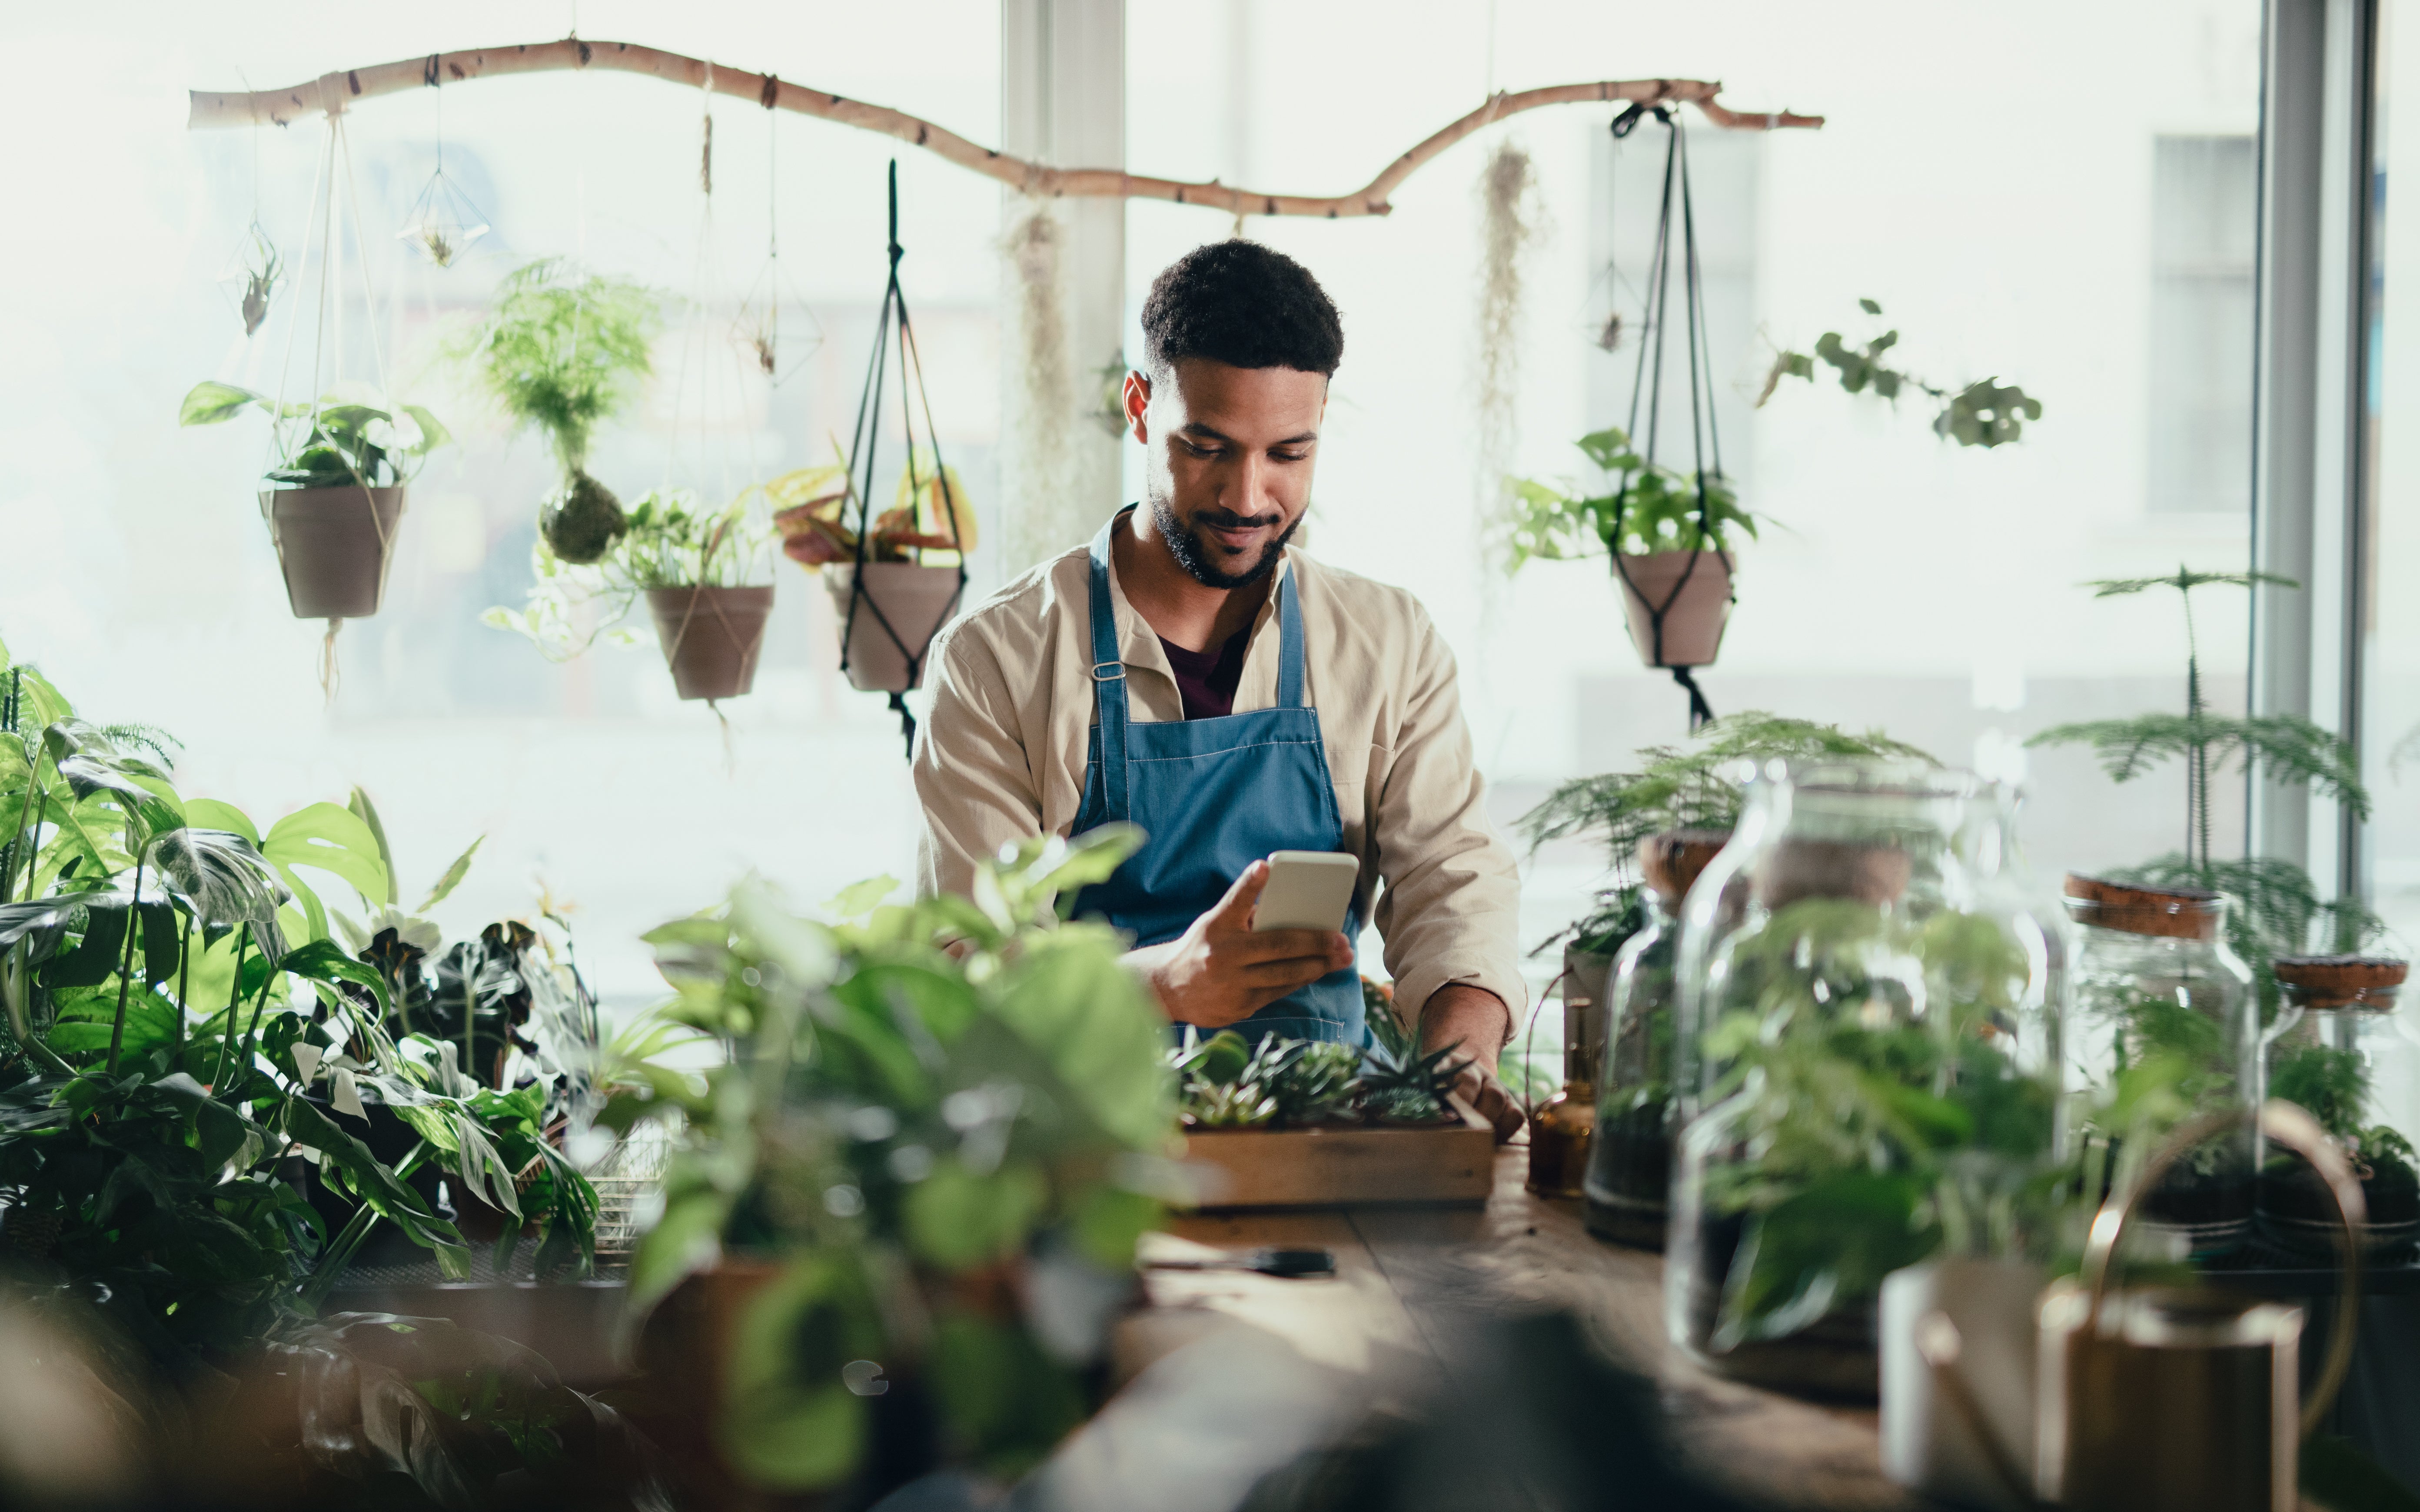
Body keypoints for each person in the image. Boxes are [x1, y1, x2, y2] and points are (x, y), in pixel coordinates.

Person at [913, 240, 1525, 1138]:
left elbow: (1454, 883)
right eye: (1207, 447)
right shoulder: (997, 657)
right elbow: (972, 957)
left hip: (1327, 1144)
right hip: (1078, 1149)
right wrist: (1166, 983)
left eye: (1289, 453)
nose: (1249, 496)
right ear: (1138, 408)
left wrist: (1460, 1062)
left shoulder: (1388, 643)